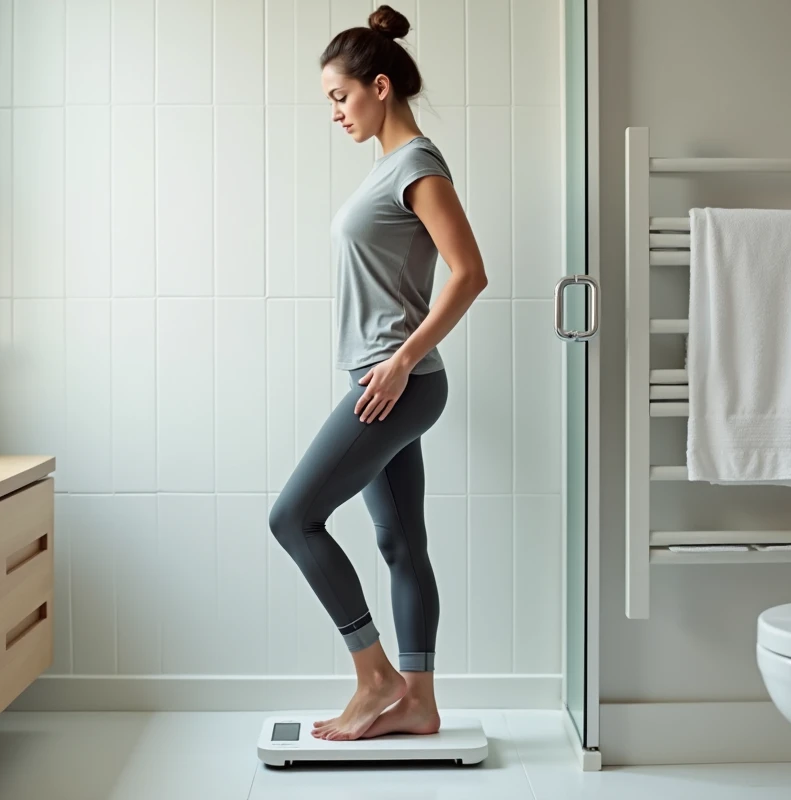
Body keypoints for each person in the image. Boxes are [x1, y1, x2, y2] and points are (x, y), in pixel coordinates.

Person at [267, 5, 488, 742]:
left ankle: (375, 679)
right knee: (401, 544)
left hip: (397, 383)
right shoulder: (388, 169)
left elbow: (469, 273)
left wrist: (399, 362)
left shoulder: (417, 166)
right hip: (387, 381)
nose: (335, 112)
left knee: (293, 519)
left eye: (340, 96)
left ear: (381, 86)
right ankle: (419, 700)